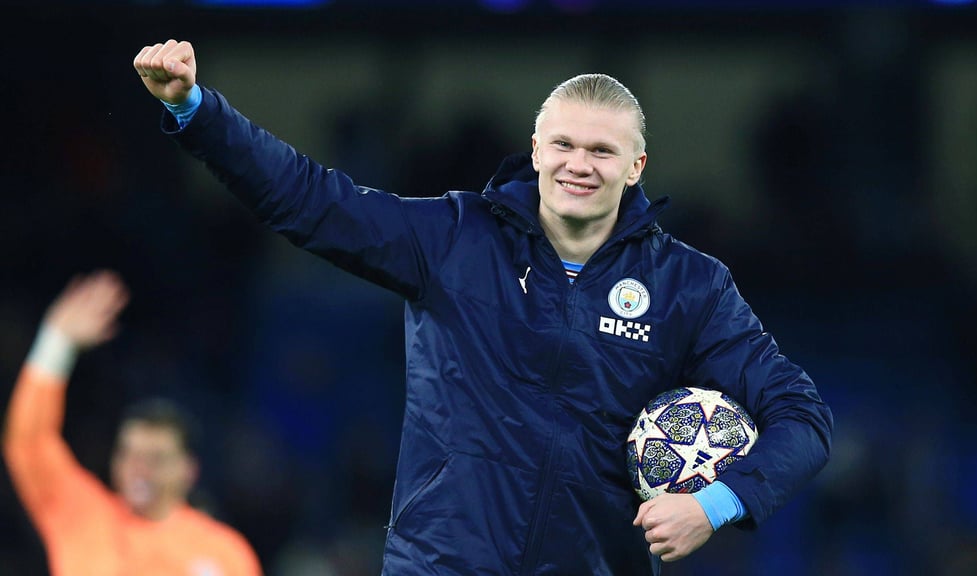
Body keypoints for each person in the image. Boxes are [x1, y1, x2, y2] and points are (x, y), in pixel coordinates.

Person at [133, 39, 833, 575]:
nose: (578, 165)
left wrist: (714, 504)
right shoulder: (454, 238)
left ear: (636, 165)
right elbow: (312, 200)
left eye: (601, 149)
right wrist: (197, 111)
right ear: (535, 149)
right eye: (562, 144)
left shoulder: (689, 286)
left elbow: (802, 418)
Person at [2, 270, 263, 576]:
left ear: (188, 471)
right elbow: (29, 443)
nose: (139, 468)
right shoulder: (81, 516)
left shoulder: (223, 553)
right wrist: (55, 343)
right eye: (129, 454)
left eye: (156, 458)